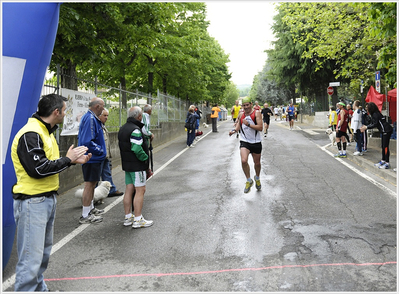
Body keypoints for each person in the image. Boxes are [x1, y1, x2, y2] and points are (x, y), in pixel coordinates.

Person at [11, 94, 92, 291]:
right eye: (64, 110)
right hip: (33, 202)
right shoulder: (31, 134)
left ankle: (40, 290)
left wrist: (71, 161)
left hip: (45, 200)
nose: (65, 114)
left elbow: (49, 164)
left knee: (41, 256)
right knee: (31, 260)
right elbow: (37, 169)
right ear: (56, 112)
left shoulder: (44, 132)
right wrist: (68, 159)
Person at [118, 106, 154, 228]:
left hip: (127, 165)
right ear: (139, 116)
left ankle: (128, 217)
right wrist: (145, 158)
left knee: (129, 189)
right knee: (140, 190)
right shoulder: (136, 130)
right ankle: (138, 219)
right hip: (137, 166)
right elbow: (137, 148)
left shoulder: (123, 128)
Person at [78, 97, 107, 224]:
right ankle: (85, 215)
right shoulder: (90, 118)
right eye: (103, 106)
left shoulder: (91, 117)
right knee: (89, 185)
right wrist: (100, 150)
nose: (104, 109)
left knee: (92, 184)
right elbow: (87, 141)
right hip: (91, 158)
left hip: (93, 158)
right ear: (97, 107)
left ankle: (90, 208)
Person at [229, 97, 263, 193]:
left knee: (257, 163)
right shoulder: (241, 114)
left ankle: (257, 178)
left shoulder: (256, 113)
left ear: (251, 104)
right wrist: (234, 131)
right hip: (245, 141)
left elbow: (260, 127)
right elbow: (239, 125)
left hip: (256, 142)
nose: (246, 107)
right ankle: (249, 180)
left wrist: (248, 125)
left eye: (247, 105)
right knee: (244, 161)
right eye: (244, 105)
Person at [99, 108, 124, 197]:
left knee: (107, 173)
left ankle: (111, 189)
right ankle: (92, 196)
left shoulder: (102, 125)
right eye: (104, 115)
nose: (106, 117)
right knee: (96, 177)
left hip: (105, 155)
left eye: (107, 115)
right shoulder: (97, 126)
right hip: (100, 155)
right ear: (99, 115)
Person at [360, 102, 393, 169]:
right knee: (383, 146)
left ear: (370, 108)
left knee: (385, 147)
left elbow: (374, 124)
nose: (366, 109)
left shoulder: (375, 114)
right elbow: (372, 123)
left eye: (367, 107)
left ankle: (387, 163)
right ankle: (383, 160)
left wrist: (366, 127)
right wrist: (366, 126)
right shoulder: (375, 114)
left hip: (386, 131)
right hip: (384, 131)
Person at [141, 104, 154, 177]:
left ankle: (146, 170)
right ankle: (146, 170)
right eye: (151, 110)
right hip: (144, 138)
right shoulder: (145, 116)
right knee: (146, 154)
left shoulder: (145, 116)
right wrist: (150, 134)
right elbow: (144, 129)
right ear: (149, 110)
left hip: (144, 138)